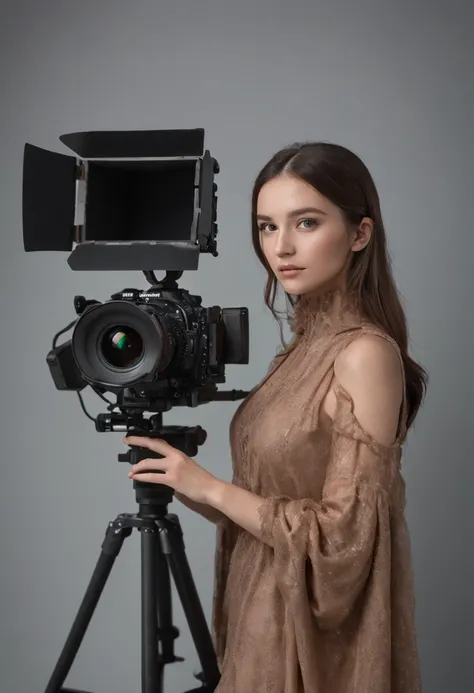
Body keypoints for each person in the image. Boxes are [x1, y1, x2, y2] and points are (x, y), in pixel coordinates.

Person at [123, 141, 428, 692]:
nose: (282, 247)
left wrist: (214, 490)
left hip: (308, 646)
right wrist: (185, 485)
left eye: (306, 223)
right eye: (266, 227)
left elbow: (344, 544)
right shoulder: (301, 349)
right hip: (257, 617)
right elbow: (272, 504)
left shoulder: (364, 354)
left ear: (360, 233)